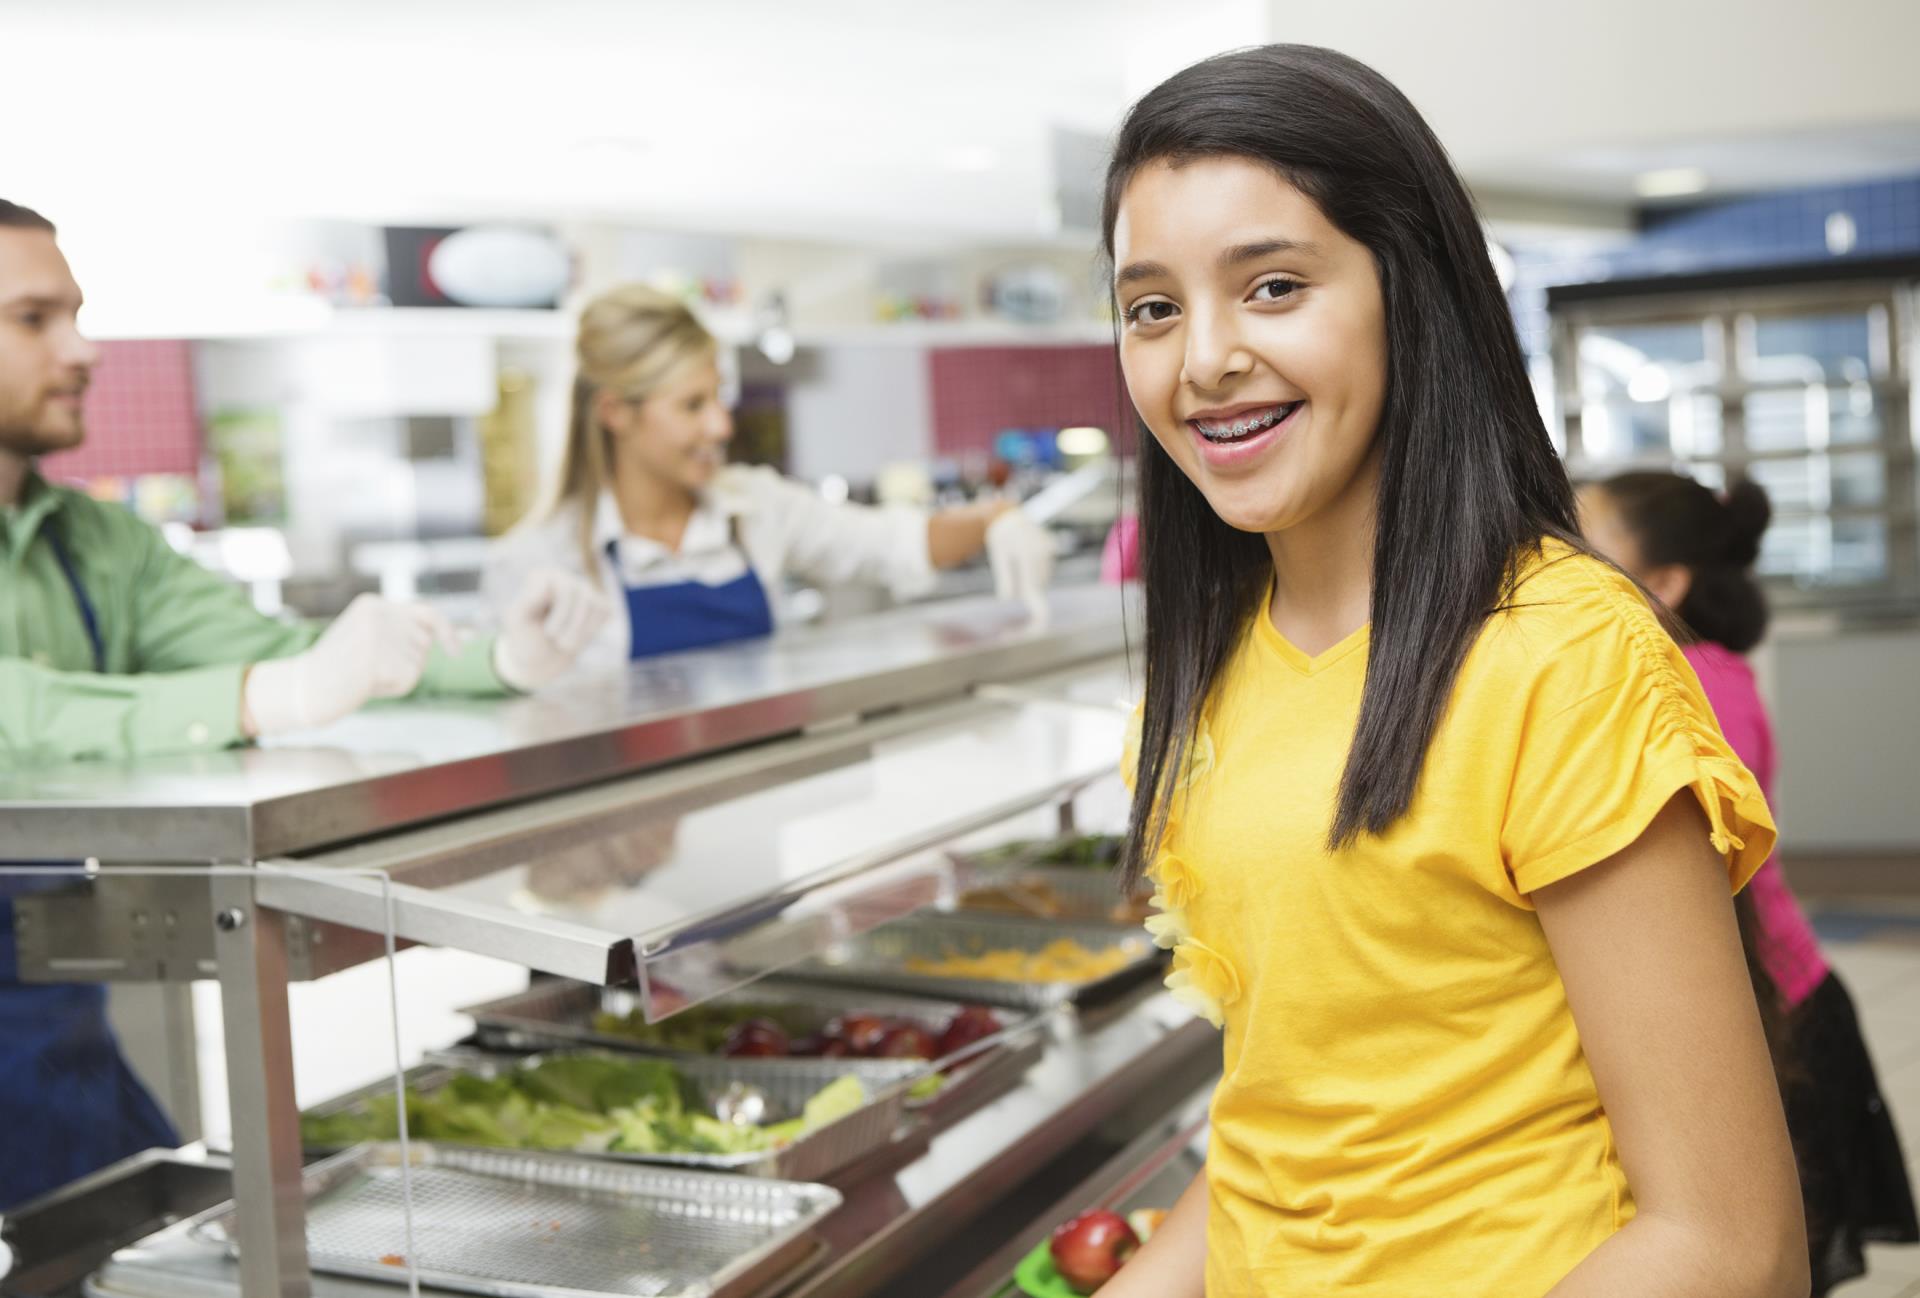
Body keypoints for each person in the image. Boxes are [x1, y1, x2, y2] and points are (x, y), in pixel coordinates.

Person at [1097, 47, 1806, 1298]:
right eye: (1152, 306)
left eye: (1271, 285)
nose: (1201, 358)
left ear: (1407, 290)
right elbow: (1297, 1113)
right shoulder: (1213, 663)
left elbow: (1727, 1243)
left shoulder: (1558, 651)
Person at [0, 198, 607, 1209]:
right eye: (34, 317)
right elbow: (18, 709)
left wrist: (502, 656)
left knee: (151, 1234)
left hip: (51, 1020)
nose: (84, 346)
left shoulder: (92, 542)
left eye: (77, 311)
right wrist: (277, 692)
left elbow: (294, 655)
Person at [1581, 470, 1920, 1296]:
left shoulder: (1684, 690)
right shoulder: (1693, 669)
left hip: (1784, 1027)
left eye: (1584, 549)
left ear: (1663, 583)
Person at [482, 284, 1056, 668]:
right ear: (615, 413)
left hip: (760, 823)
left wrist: (995, 518)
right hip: (627, 844)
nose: (720, 425)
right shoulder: (534, 565)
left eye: (719, 399)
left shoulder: (754, 506)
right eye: (691, 406)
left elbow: (891, 543)